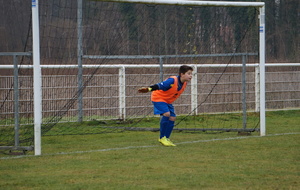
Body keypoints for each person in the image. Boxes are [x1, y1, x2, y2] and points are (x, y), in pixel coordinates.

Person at [138, 65, 193, 146]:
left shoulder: (184, 84)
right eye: (189, 73)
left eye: (191, 74)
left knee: (173, 117)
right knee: (167, 114)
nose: (191, 76)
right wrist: (148, 89)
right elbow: (159, 85)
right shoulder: (172, 80)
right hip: (158, 98)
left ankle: (166, 138)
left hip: (167, 101)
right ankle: (162, 138)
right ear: (182, 74)